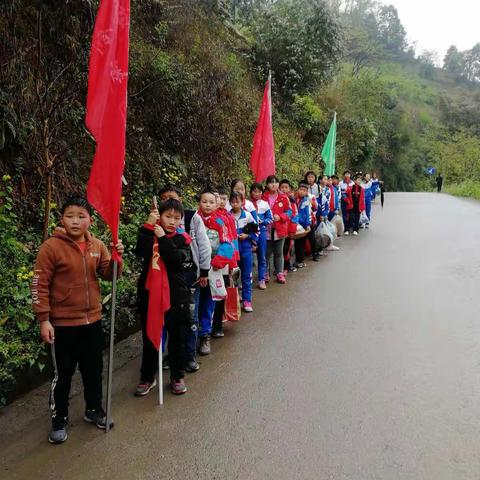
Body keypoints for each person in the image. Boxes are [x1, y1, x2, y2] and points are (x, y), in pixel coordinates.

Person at [31, 196, 124, 444]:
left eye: (81, 216)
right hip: (62, 325)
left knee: (93, 371)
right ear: (62, 219)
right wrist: (44, 319)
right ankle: (59, 418)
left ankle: (93, 410)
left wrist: (116, 258)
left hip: (92, 321)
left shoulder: (97, 245)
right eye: (70, 215)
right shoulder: (50, 248)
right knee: (63, 375)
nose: (75, 221)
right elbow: (38, 284)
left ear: (90, 220)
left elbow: (108, 275)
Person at [135, 199, 194, 397]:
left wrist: (163, 239)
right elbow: (140, 251)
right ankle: (147, 377)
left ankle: (177, 376)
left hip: (175, 295)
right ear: (159, 215)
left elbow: (177, 260)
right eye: (168, 216)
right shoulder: (150, 233)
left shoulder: (183, 238)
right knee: (150, 337)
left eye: (176, 218)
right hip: (150, 293)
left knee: (176, 337)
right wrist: (148, 227)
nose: (171, 221)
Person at [196, 189, 237, 355]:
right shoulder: (192, 219)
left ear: (217, 203)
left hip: (213, 268)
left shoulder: (221, 222)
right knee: (194, 304)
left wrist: (217, 262)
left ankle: (205, 335)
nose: (207, 205)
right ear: (199, 202)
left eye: (211, 202)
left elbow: (228, 245)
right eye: (204, 201)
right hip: (194, 268)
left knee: (208, 302)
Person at [230, 192, 258, 312]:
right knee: (233, 277)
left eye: (238, 201)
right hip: (232, 252)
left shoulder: (247, 215)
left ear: (242, 202)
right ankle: (235, 299)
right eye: (233, 201)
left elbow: (256, 231)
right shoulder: (227, 216)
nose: (235, 204)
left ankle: (247, 300)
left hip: (246, 250)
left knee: (246, 276)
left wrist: (247, 235)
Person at [262, 175, 292, 284]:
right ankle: (265, 273)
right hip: (266, 229)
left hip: (280, 229)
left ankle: (279, 273)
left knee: (279, 253)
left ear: (278, 184)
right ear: (267, 185)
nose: (273, 184)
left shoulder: (284, 197)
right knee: (266, 253)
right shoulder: (263, 197)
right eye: (271, 182)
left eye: (275, 182)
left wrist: (281, 217)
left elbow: (289, 212)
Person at [250, 182, 273, 290]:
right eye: (255, 191)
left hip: (262, 232)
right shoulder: (246, 203)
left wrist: (262, 221)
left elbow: (270, 218)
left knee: (262, 256)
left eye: (259, 191)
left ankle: (261, 279)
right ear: (250, 192)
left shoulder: (265, 204)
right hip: (249, 233)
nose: (257, 194)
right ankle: (247, 278)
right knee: (247, 257)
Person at [279, 179, 298, 274]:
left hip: (287, 230)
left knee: (286, 249)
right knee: (279, 250)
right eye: (282, 187)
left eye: (286, 187)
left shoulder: (292, 201)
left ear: (289, 189)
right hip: (279, 229)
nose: (284, 189)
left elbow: (294, 216)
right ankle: (279, 268)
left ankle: (286, 267)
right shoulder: (277, 199)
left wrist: (292, 231)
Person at [294, 181, 312, 268]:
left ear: (306, 192)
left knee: (301, 243)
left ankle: (300, 260)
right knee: (296, 243)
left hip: (303, 224)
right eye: (300, 190)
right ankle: (297, 260)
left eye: (304, 190)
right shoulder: (294, 199)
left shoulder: (306, 201)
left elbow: (308, 213)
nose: (301, 192)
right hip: (295, 224)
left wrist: (308, 224)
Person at [339, 170, 354, 234]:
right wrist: (344, 198)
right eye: (346, 174)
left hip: (351, 201)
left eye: (348, 174)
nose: (347, 175)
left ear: (350, 175)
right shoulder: (341, 183)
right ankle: (346, 228)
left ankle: (351, 226)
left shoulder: (352, 183)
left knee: (351, 215)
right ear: (344, 175)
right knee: (344, 214)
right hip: (344, 201)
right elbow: (340, 192)